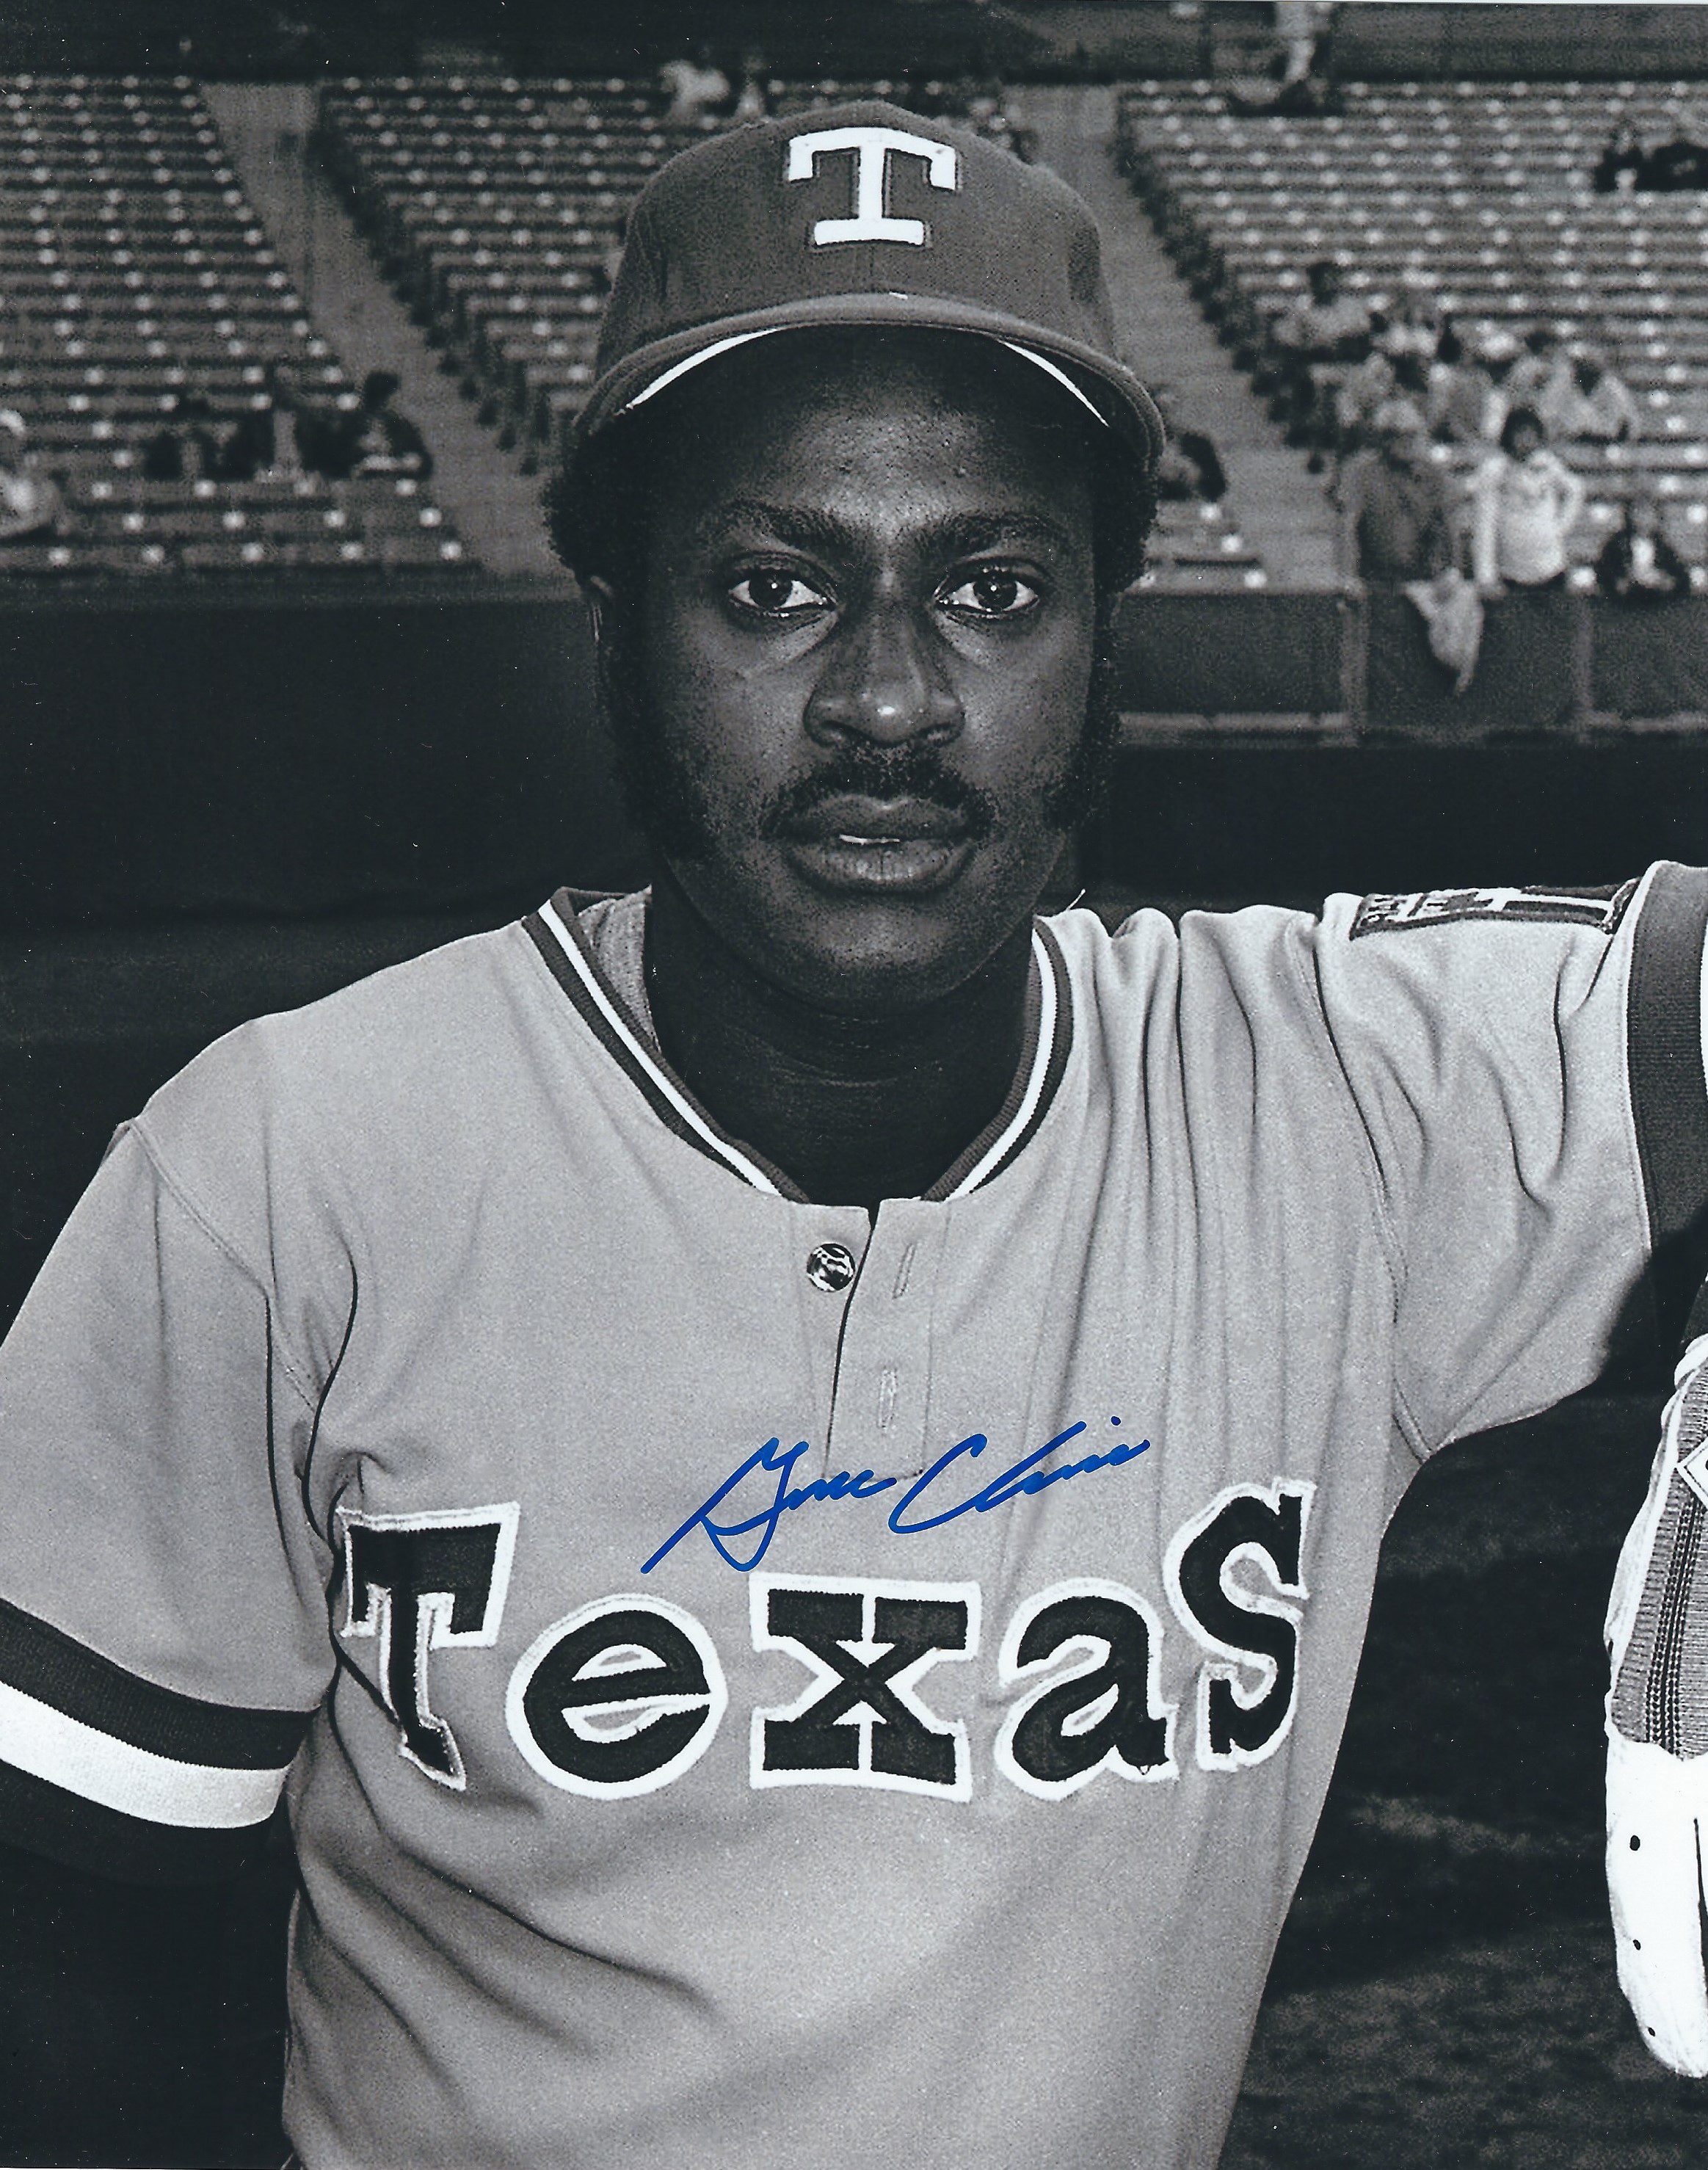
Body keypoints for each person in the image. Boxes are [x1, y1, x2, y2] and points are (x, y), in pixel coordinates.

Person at [1, 98, 1707, 2170]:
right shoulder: (285, 1170)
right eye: (769, 585)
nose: (886, 699)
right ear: (617, 621)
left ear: (1101, 638)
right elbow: (69, 1967)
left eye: (990, 586)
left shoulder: (1333, 1095)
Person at [1335, 396, 1456, 583]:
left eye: (1412, 435)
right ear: (1383, 438)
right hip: (1375, 575)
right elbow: (1348, 526)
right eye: (1397, 435)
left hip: (1425, 575)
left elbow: (1447, 524)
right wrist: (1348, 576)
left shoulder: (1433, 473)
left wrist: (1450, 571)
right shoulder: (1360, 470)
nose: (1406, 442)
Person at [1470, 405, 1586, 594]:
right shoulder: (1494, 470)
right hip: (1511, 570)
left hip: (1551, 565)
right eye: (1520, 434)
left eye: (1531, 434)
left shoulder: (1548, 463)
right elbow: (1485, 525)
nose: (1526, 440)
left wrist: (1559, 528)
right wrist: (1486, 577)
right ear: (1509, 436)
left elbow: (1576, 489)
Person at [1595, 490, 1690, 602]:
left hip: (1658, 600)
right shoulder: (1617, 544)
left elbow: (1681, 578)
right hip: (1625, 602)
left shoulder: (1663, 547)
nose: (1643, 519)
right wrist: (1623, 581)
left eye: (1648, 514)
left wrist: (1663, 579)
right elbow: (1604, 573)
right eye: (1639, 513)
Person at [1538, 346, 1642, 446]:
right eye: (1580, 364)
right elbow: (1548, 417)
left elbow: (1628, 425)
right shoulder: (1561, 385)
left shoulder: (1613, 388)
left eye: (1589, 364)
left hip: (1606, 444)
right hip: (1571, 444)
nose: (1585, 368)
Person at [1149, 380, 1229, 502]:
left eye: (1172, 408)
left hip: (1192, 505)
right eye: (1161, 409)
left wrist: (1195, 474)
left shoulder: (1199, 444)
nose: (1167, 416)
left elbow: (1218, 485)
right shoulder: (1139, 446)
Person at [0, 407, 64, 542]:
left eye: (7, 438)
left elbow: (48, 514)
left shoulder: (39, 476)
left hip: (38, 542)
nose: (3, 444)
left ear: (19, 441)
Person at [1640, 106, 1708, 191]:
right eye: (1681, 131)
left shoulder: (1702, 154)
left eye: (1687, 132)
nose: (1684, 136)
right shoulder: (1662, 153)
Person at [1591, 120, 1646, 192]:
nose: (1626, 141)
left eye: (1629, 137)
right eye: (1622, 137)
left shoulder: (1639, 158)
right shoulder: (1609, 158)